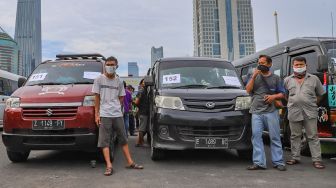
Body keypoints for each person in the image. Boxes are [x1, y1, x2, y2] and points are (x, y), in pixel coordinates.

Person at [92, 56, 143, 176]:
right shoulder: (99, 79)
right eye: (108, 64)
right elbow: (96, 98)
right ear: (105, 66)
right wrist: (97, 114)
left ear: (116, 66)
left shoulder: (119, 81)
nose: (110, 67)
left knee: (123, 139)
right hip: (104, 114)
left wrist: (116, 106)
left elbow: (121, 97)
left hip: (117, 114)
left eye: (112, 65)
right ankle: (109, 166)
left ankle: (130, 162)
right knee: (105, 141)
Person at [245, 55, 286, 171]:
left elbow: (282, 94)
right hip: (256, 111)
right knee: (256, 137)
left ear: (269, 64)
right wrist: (253, 77)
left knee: (275, 137)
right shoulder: (253, 76)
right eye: (259, 62)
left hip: (271, 111)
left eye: (263, 62)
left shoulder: (276, 78)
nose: (260, 64)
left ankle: (278, 162)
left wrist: (273, 96)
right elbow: (248, 90)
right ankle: (258, 162)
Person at [284, 56, 326, 169]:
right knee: (295, 136)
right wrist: (293, 102)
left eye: (301, 65)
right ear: (293, 66)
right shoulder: (287, 80)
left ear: (306, 65)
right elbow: (285, 95)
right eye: (297, 65)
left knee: (313, 136)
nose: (299, 67)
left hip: (310, 111)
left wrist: (312, 103)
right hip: (294, 112)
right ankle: (295, 158)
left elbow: (321, 94)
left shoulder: (314, 79)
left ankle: (317, 160)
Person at [134, 79, 149, 147]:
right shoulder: (141, 91)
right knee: (142, 128)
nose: (145, 83)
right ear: (141, 84)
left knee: (142, 128)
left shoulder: (144, 91)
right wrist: (137, 106)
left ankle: (139, 142)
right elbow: (136, 102)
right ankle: (140, 142)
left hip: (143, 111)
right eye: (143, 82)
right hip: (143, 112)